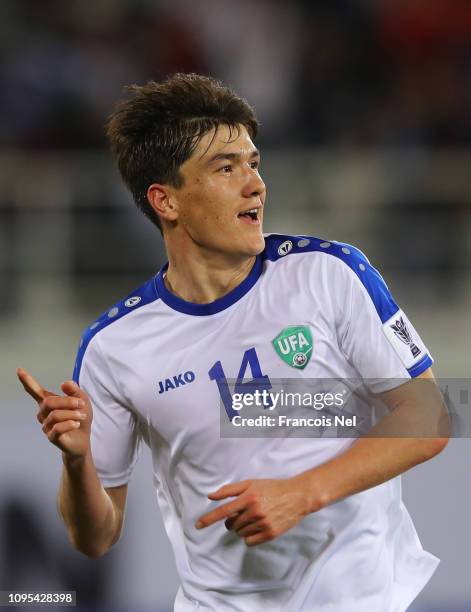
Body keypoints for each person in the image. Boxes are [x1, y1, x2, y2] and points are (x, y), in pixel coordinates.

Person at [17, 73, 448, 612]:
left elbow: (429, 417)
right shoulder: (113, 346)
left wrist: (301, 493)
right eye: (226, 167)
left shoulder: (329, 273)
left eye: (254, 163)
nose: (255, 184)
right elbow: (95, 536)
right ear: (165, 201)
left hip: (361, 598)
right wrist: (77, 463)